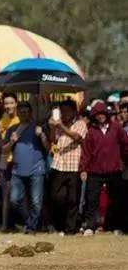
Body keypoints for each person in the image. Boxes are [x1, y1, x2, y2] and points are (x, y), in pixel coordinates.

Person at [79, 101, 128, 235]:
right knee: (92, 200)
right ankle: (90, 226)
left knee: (117, 200)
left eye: (102, 113)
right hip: (95, 171)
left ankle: (116, 226)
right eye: (97, 114)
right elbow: (86, 152)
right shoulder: (91, 132)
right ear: (94, 116)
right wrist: (84, 169)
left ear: (106, 114)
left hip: (114, 170)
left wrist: (123, 162)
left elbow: (125, 145)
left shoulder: (117, 128)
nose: (100, 116)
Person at [2, 102, 48, 233]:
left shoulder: (37, 129)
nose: (23, 114)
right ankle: (30, 221)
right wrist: (12, 141)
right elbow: (4, 150)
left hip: (36, 170)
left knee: (36, 202)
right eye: (21, 112)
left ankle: (31, 228)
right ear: (18, 114)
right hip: (17, 171)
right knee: (14, 200)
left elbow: (48, 147)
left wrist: (42, 135)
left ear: (31, 113)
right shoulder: (12, 129)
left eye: (26, 112)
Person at [47, 100, 87, 234]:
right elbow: (53, 140)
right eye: (62, 111)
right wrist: (53, 127)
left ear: (74, 112)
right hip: (59, 164)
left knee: (72, 199)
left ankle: (70, 228)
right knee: (55, 197)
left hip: (74, 166)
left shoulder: (80, 124)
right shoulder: (59, 125)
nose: (64, 113)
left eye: (67, 110)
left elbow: (77, 137)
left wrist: (61, 126)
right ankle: (59, 224)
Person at [0, 93, 20, 191]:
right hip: (5, 161)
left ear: (16, 103)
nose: (9, 106)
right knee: (6, 193)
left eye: (11, 103)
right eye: (6, 104)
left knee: (17, 195)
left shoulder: (21, 120)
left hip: (18, 161)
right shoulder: (2, 122)